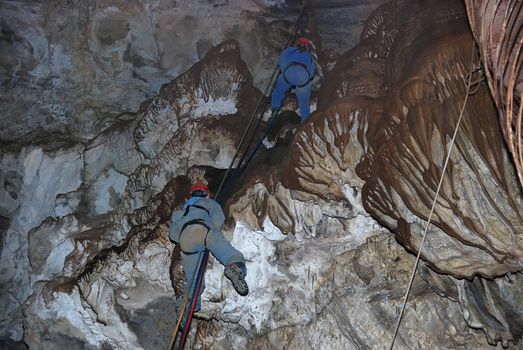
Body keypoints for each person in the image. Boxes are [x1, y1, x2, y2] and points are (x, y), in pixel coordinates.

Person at [169, 182, 248, 313]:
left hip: (185, 242)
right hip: (204, 230)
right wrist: (212, 238)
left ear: (190, 196)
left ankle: (188, 303)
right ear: (206, 195)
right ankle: (235, 268)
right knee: (230, 254)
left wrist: (186, 238)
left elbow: (173, 235)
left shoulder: (180, 212)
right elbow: (218, 222)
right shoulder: (209, 203)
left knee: (193, 280)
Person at [271, 37, 317, 123]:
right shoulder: (310, 57)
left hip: (289, 73)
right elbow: (311, 73)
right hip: (303, 79)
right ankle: (305, 122)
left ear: (298, 44)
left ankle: (274, 109)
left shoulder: (291, 50)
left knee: (278, 92)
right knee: (303, 102)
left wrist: (285, 72)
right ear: (307, 47)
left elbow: (282, 60)